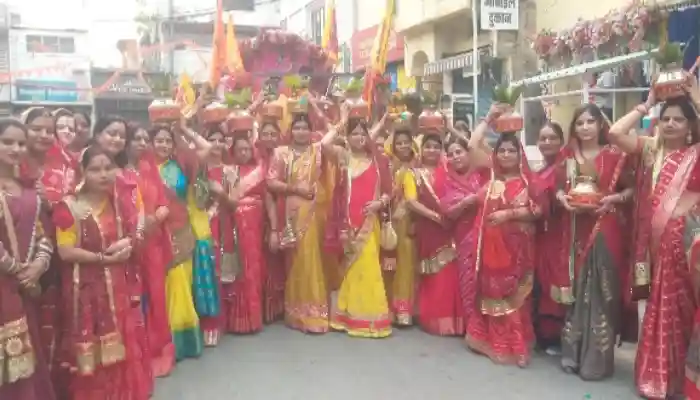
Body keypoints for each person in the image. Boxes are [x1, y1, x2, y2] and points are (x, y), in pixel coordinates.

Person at [607, 78, 700, 399]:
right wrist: (647, 104)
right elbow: (615, 133)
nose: (670, 124)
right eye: (666, 118)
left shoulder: (695, 154)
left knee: (681, 312)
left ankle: (680, 380)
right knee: (653, 308)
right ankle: (656, 376)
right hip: (649, 247)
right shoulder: (650, 150)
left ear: (690, 126)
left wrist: (695, 97)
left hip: (684, 248)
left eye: (678, 119)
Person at [54, 145, 148, 400]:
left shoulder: (120, 204)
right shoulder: (69, 206)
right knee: (90, 345)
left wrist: (129, 242)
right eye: (95, 169)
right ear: (82, 172)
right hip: (83, 289)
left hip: (116, 288)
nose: (103, 174)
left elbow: (136, 235)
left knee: (118, 343)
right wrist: (103, 259)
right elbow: (65, 251)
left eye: (108, 168)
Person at [555, 103, 634, 380]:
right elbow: (558, 188)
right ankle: (572, 354)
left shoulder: (616, 155)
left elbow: (631, 189)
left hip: (605, 227)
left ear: (601, 124)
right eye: (580, 123)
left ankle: (596, 361)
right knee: (577, 290)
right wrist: (562, 198)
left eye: (590, 122)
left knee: (602, 291)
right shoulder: (567, 156)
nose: (585, 127)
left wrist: (614, 199)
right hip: (575, 228)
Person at [465, 110, 540, 367]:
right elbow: (472, 145)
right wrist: (487, 119)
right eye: (502, 151)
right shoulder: (492, 177)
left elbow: (537, 211)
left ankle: (516, 346)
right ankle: (490, 341)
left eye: (511, 151)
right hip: (489, 249)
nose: (506, 155)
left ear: (520, 155)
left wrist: (508, 214)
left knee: (515, 299)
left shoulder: (528, 182)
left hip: (518, 250)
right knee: (491, 294)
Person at [321, 113, 393, 338]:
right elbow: (324, 144)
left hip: (369, 224)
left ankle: (370, 318)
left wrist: (379, 203)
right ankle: (347, 316)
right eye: (354, 133)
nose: (359, 137)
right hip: (346, 223)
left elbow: (389, 192)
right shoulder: (343, 157)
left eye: (363, 133)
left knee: (368, 268)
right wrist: (342, 122)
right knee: (350, 270)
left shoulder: (378, 161)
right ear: (347, 136)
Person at [0, 118, 56, 400]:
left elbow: (43, 233)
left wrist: (38, 266)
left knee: (28, 355)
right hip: (5, 284)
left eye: (21, 143)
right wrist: (15, 269)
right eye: (7, 142)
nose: (15, 148)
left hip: (25, 287)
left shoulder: (30, 188)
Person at [148, 120, 213, 354]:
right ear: (150, 143)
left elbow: (206, 148)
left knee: (181, 284)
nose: (164, 145)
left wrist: (183, 129)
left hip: (181, 232)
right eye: (159, 140)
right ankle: (163, 342)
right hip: (154, 234)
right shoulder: (142, 168)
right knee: (159, 287)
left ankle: (183, 343)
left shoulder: (181, 165)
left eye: (168, 141)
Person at [267, 113, 330, 333]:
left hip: (314, 212)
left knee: (311, 258)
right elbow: (271, 181)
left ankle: (314, 312)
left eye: (305, 128)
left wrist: (339, 114)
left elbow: (334, 133)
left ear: (311, 131)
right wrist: (295, 189)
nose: (301, 132)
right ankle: (296, 312)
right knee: (295, 260)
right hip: (291, 213)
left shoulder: (317, 151)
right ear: (290, 131)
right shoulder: (281, 153)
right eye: (297, 128)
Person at [124, 122, 175, 377]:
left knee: (156, 296)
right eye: (137, 138)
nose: (142, 143)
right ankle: (135, 354)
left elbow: (164, 203)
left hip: (152, 242)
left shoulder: (148, 168)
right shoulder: (118, 171)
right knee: (132, 298)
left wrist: (155, 218)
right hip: (128, 245)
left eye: (145, 138)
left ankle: (158, 351)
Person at [208, 129, 270, 333]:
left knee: (253, 268)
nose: (244, 153)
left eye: (247, 149)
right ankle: (238, 319)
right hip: (233, 224)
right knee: (238, 269)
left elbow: (268, 198)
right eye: (239, 149)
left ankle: (253, 317)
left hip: (255, 225)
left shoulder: (259, 170)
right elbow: (226, 201)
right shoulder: (229, 171)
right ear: (233, 151)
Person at [407, 134, 464, 335]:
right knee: (433, 274)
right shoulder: (413, 174)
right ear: (421, 150)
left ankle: (453, 320)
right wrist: (435, 216)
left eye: (436, 147)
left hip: (450, 227)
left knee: (450, 273)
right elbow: (411, 202)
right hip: (429, 227)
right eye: (428, 146)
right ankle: (434, 319)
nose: (432, 150)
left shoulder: (449, 171)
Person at [440, 135, 487, 336]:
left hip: (488, 236)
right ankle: (472, 328)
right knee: (468, 282)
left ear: (468, 153)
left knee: (487, 283)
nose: (455, 157)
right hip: (464, 238)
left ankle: (489, 327)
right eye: (451, 154)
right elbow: (447, 212)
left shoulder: (482, 174)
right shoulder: (447, 181)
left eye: (459, 152)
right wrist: (466, 203)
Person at [533, 121, 567, 354]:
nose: (547, 142)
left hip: (560, 233)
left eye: (552, 138)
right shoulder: (540, 169)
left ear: (562, 141)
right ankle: (543, 334)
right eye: (543, 138)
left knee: (556, 282)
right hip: (541, 234)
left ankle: (556, 336)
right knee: (542, 281)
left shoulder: (566, 167)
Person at [381, 122, 419, 325]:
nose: (403, 146)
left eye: (407, 142)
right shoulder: (388, 167)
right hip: (388, 221)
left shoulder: (417, 168)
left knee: (405, 265)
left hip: (407, 222)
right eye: (399, 143)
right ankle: (388, 307)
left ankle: (404, 310)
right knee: (388, 265)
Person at [257, 117, 285, 324]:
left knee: (278, 261)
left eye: (273, 134)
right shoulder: (254, 158)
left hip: (282, 211)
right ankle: (263, 308)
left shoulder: (284, 156)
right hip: (257, 215)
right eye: (265, 134)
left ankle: (277, 307)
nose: (269, 138)